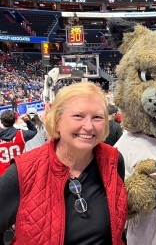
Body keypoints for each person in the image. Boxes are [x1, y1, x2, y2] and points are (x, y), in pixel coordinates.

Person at [0, 82, 127, 245]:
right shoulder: (23, 171)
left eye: (97, 117)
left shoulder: (114, 161)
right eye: (78, 116)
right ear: (57, 121)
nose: (88, 126)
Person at [0, 110, 37, 176]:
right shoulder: (22, 134)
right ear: (15, 120)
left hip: (2, 173)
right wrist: (27, 121)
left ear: (1, 122)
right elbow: (34, 131)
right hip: (19, 171)